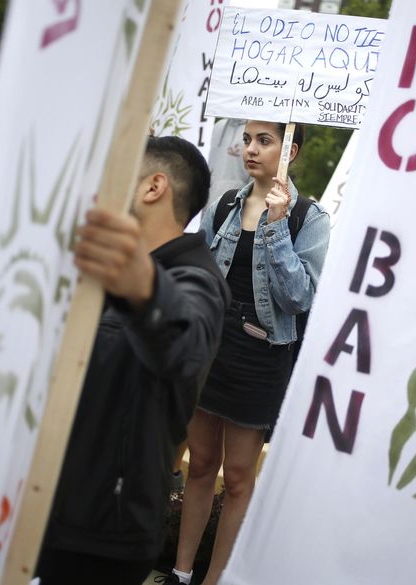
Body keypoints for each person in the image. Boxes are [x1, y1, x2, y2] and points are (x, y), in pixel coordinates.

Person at [37, 136, 230, 585]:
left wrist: (145, 287)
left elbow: (187, 345)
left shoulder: (195, 278)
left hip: (100, 531)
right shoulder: (104, 267)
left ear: (153, 187)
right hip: (51, 503)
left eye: (114, 172)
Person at [167, 120, 331, 585]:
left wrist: (277, 227)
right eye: (248, 140)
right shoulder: (223, 203)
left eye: (265, 141)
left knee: (237, 477)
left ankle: (214, 578)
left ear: (290, 151)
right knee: (199, 464)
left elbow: (300, 299)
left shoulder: (308, 217)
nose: (251, 149)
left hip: (260, 358)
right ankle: (179, 572)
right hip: (212, 348)